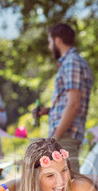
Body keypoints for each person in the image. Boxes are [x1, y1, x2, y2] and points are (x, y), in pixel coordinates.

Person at [33, 23, 93, 172]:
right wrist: (48, 111)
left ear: (57, 40)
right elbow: (68, 101)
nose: (49, 46)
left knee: (70, 185)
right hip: (64, 134)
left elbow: (73, 105)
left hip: (65, 135)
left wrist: (56, 136)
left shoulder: (71, 62)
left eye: (49, 42)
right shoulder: (70, 63)